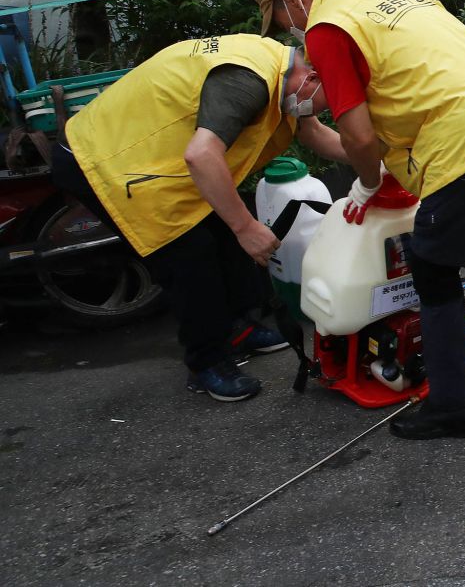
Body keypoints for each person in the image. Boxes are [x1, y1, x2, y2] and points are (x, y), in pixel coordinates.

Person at [253, 0, 465, 439]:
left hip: (459, 139)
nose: (287, 32)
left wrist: (366, 182)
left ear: (290, 0)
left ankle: (451, 407)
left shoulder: (327, 28)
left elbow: (359, 136)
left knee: (432, 266)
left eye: (279, 20)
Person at [52, 34, 348, 401]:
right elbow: (202, 155)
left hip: (161, 158)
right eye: (327, 100)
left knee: (226, 232)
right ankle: (206, 361)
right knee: (190, 253)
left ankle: (239, 328)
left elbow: (314, 131)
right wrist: (245, 227)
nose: (322, 110)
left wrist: (377, 162)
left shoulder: (286, 74)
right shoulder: (247, 79)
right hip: (104, 160)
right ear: (313, 75)